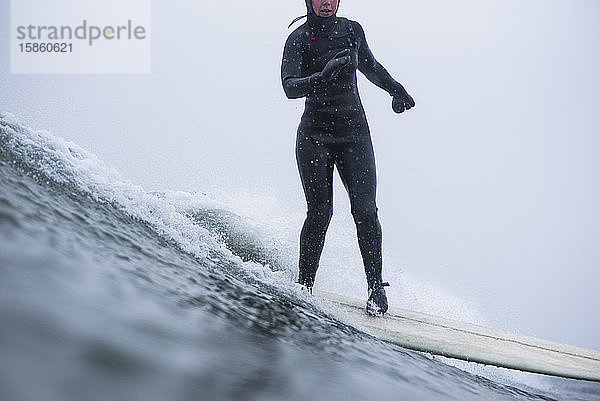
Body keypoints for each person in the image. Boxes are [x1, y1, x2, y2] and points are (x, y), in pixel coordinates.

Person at [281, 0, 415, 316]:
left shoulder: (352, 30)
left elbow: (370, 67)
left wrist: (397, 90)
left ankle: (376, 290)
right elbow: (289, 88)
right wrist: (321, 76)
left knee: (366, 211)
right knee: (320, 212)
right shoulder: (298, 38)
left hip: (354, 135)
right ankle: (304, 287)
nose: (327, 2)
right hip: (315, 136)